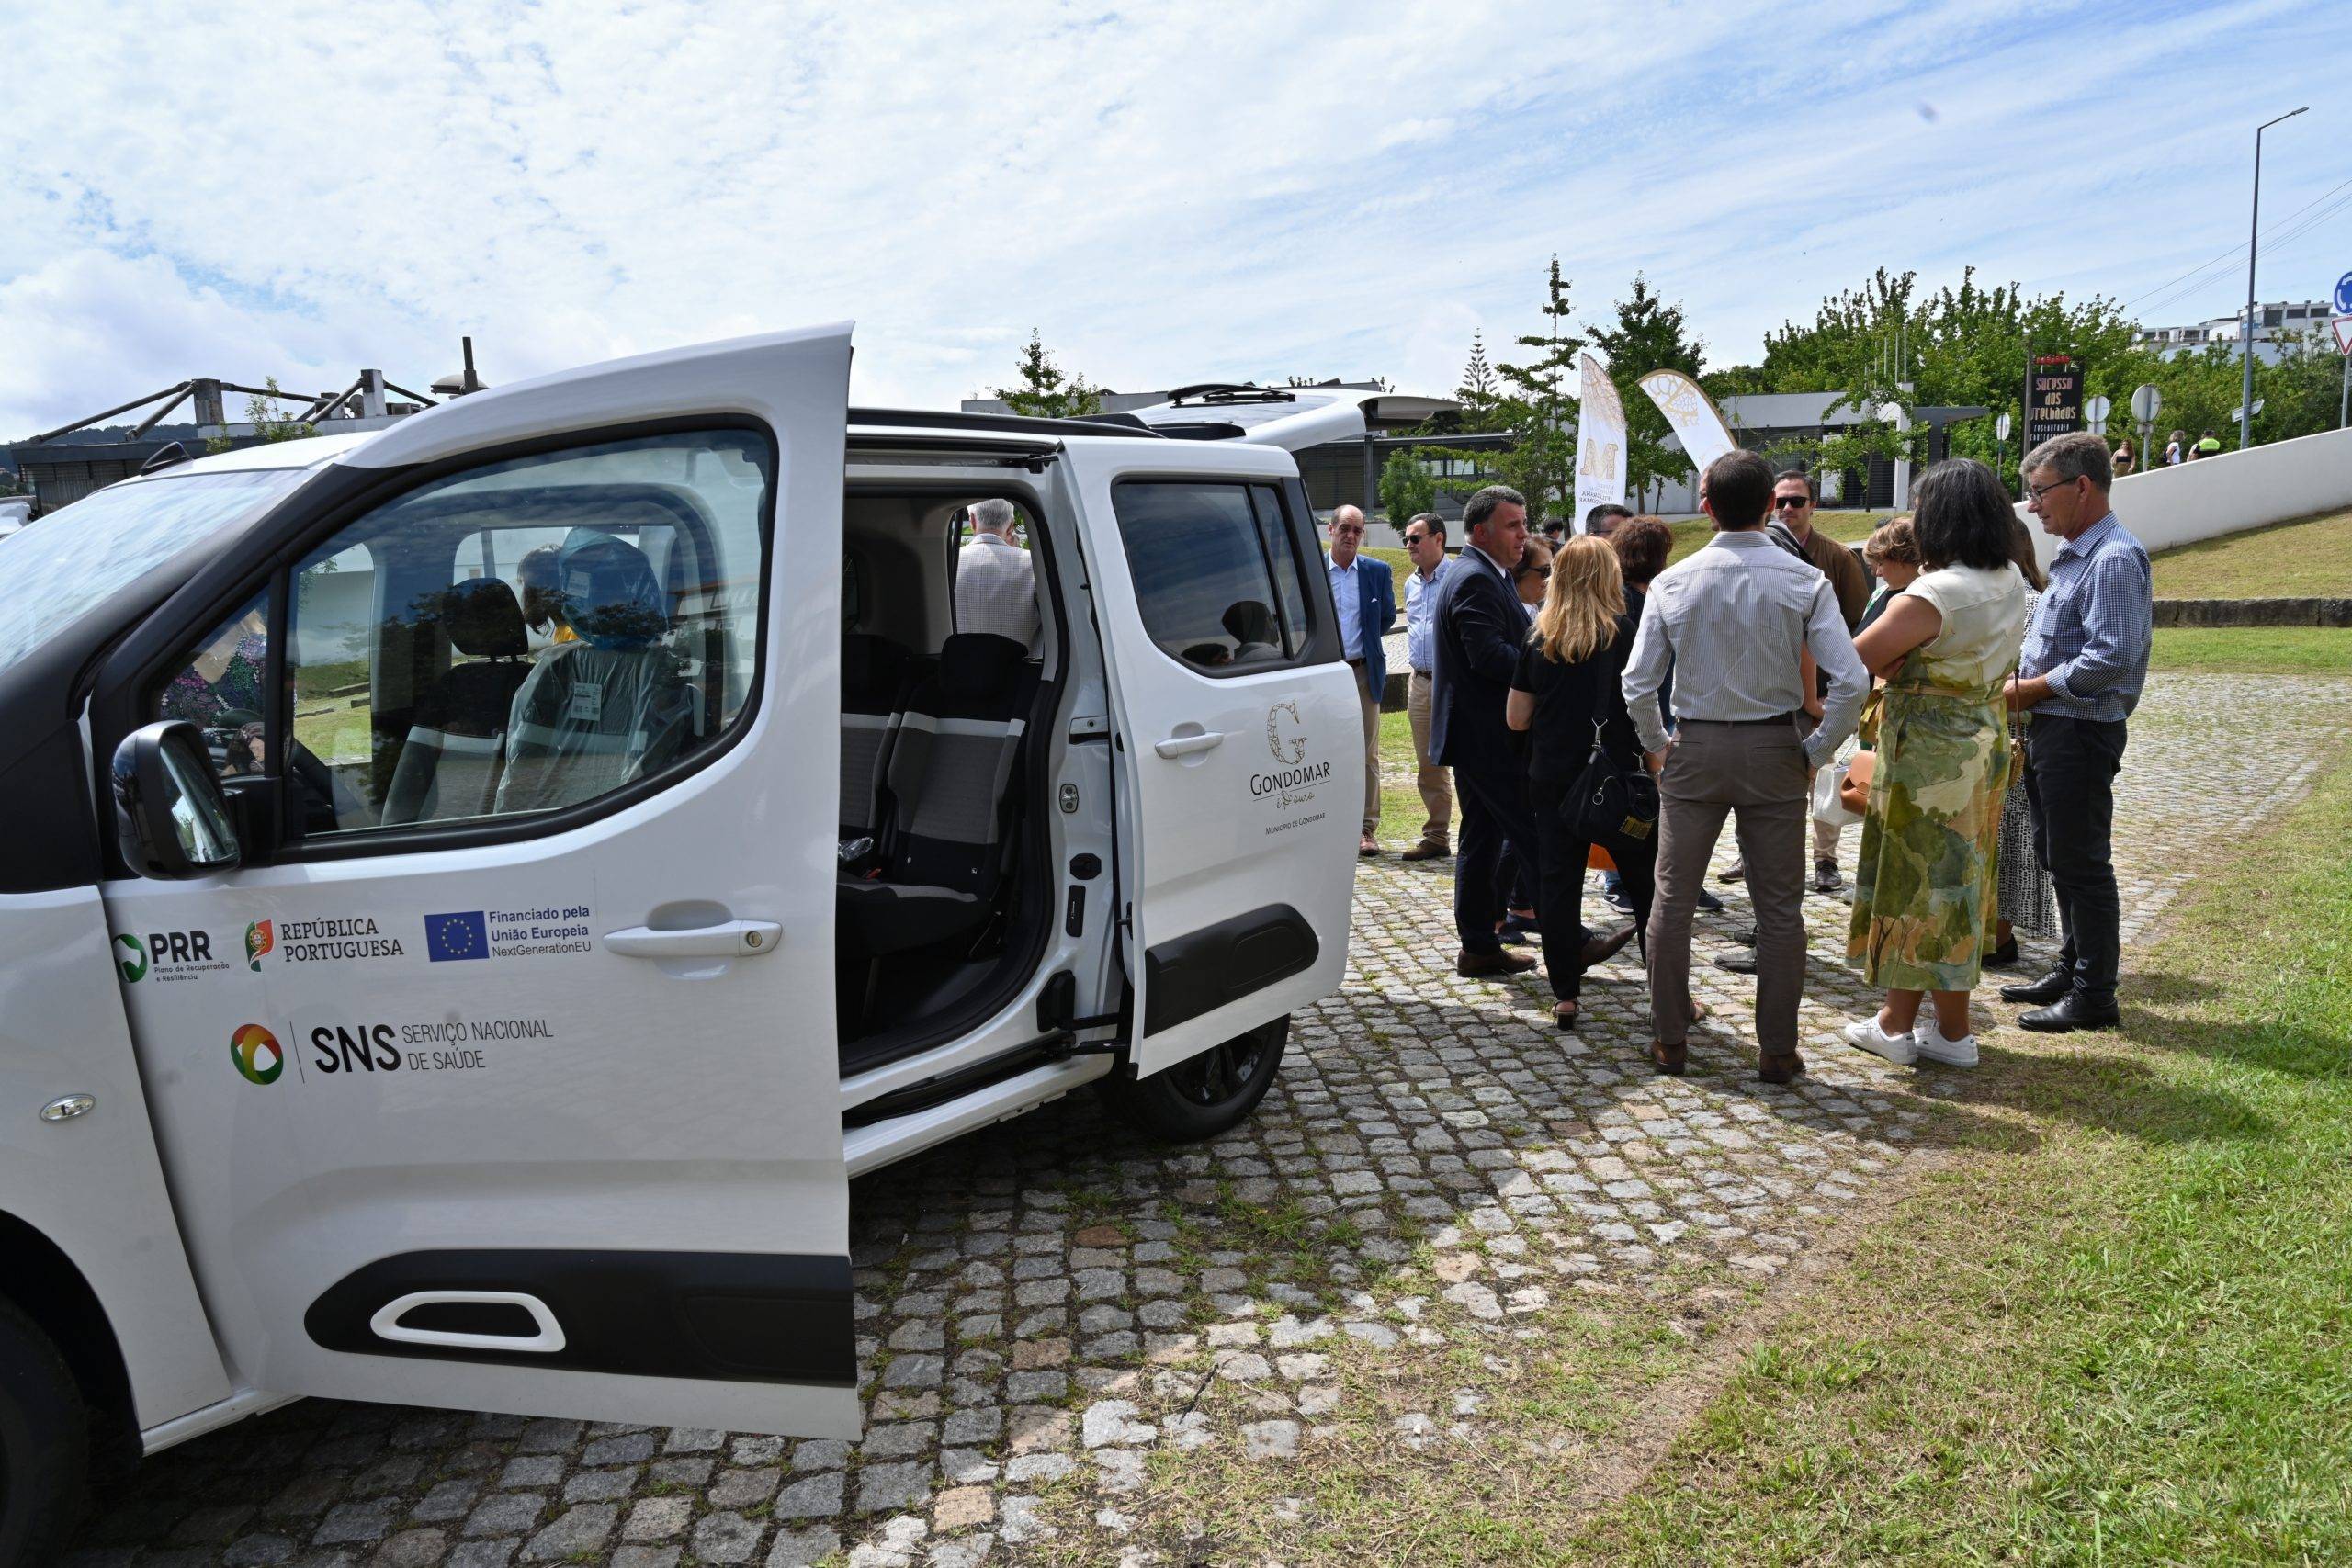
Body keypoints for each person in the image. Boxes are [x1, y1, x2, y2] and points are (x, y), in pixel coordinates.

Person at [1623, 450, 1868, 1080]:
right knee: (1780, 908)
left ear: (1706, 506)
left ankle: (1670, 1039)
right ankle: (1778, 1050)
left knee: (1672, 900)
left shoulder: (1673, 581)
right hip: (1774, 748)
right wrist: (1815, 751)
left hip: (1695, 747)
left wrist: (1658, 746)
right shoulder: (1804, 579)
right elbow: (1852, 682)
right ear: (1769, 506)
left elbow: (1637, 682)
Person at [1839, 459, 2031, 1069]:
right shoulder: (2008, 577)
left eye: (1921, 508)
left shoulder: (1933, 593)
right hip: (1981, 741)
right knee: (1960, 884)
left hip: (1928, 757)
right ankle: (1952, 1030)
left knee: (1916, 884)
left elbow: (1854, 660)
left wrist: (1890, 663)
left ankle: (1895, 1025)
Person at [2000, 431, 2152, 1032]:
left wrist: (2033, 689)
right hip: (2054, 726)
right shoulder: (2077, 552)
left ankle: (2094, 994)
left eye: (2040, 492)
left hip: (2080, 730)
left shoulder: (2113, 557)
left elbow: (2110, 656)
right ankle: (2071, 967)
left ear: (2082, 486)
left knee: (2082, 861)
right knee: (2058, 853)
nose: (2032, 505)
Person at [1508, 537, 1643, 1029]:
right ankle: (1670, 993)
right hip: (1618, 780)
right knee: (1645, 884)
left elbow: (1516, 718)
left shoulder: (1538, 638)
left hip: (1553, 778)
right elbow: (1644, 705)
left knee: (1558, 884)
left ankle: (1565, 995)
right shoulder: (1624, 633)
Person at [1431, 485, 1542, 977]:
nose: (1524, 535)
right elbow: (1489, 655)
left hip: (1482, 735)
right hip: (1488, 739)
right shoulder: (1475, 577)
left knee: (1482, 840)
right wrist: (1547, 668)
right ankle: (1571, 939)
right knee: (1532, 835)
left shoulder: (1485, 573)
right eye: (1513, 525)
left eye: (1524, 523)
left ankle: (1478, 946)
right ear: (1480, 531)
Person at [1768, 468, 1871, 895]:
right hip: (1775, 686)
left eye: (1797, 501)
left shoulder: (1838, 557)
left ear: (1813, 505)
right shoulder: (1763, 549)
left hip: (1824, 687)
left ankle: (1825, 859)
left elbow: (1856, 621)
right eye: (1780, 501)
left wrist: (1828, 686)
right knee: (1771, 777)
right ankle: (1754, 853)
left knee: (1823, 773)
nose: (1787, 508)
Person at [1988, 513, 2055, 969]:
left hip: (2012, 733)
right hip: (2005, 730)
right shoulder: (2015, 601)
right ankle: (1994, 933)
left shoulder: (2027, 604)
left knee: (2008, 836)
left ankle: (1999, 935)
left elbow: (2029, 675)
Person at [1325, 504, 1396, 858]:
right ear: (1330, 530)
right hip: (1324, 676)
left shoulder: (1376, 571)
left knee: (1367, 753)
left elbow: (1386, 617)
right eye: (1345, 529)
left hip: (1363, 672)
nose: (1351, 536)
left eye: (1357, 530)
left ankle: (1366, 828)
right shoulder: (1313, 571)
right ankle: (1328, 824)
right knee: (1325, 750)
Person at [1398, 513, 1454, 863]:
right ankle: (1437, 835)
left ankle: (1483, 836)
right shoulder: (1410, 584)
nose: (1409, 545)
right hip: (1419, 682)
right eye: (1406, 539)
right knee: (1428, 763)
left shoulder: (1458, 577)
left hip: (1454, 684)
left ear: (1438, 539)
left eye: (1415, 538)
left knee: (1469, 762)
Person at [954, 498, 1040, 645]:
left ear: (972, 521)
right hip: (1022, 660)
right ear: (1011, 526)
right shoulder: (1033, 564)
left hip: (957, 660)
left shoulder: (948, 562)